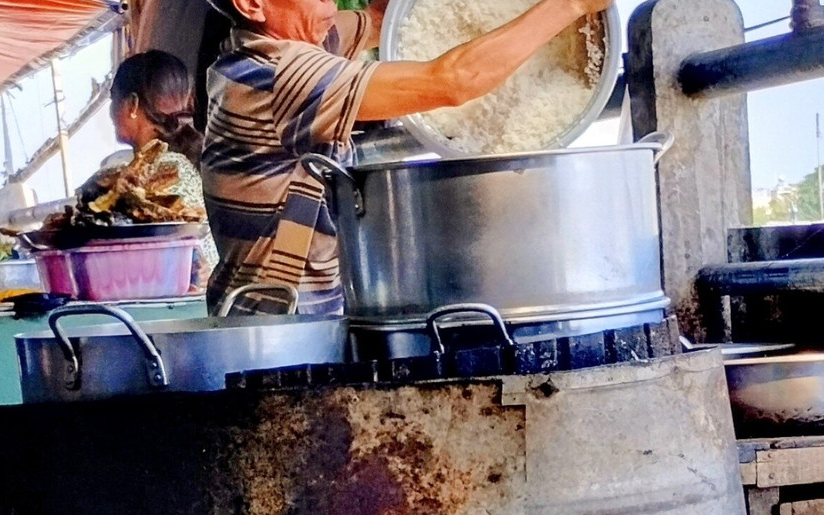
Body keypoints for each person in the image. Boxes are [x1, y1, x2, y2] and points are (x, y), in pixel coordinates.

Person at [201, 0, 614, 315]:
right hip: (276, 323)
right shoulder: (279, 74)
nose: (330, 5)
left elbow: (383, 18)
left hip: (294, 310)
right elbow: (453, 81)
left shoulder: (287, 38)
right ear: (252, 4)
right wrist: (570, 5)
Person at [105, 50, 219, 289]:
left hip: (181, 308)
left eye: (113, 99)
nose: (111, 112)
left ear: (132, 104)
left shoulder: (162, 171)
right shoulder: (183, 161)